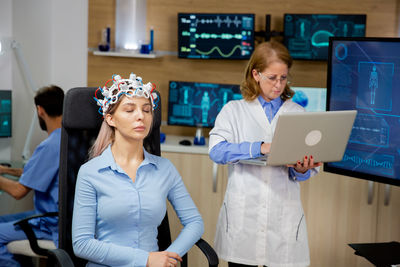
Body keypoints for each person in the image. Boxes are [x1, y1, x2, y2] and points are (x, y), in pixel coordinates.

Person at [208, 41, 322, 267]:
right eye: (272, 78)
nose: (278, 85)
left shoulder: (298, 114)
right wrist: (260, 147)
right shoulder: (234, 110)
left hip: (283, 219)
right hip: (244, 219)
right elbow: (216, 151)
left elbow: (309, 170)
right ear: (256, 74)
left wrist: (301, 170)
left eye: (283, 78)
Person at [72, 73, 204, 267]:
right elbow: (82, 244)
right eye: (129, 110)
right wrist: (146, 260)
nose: (141, 116)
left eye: (147, 110)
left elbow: (195, 222)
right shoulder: (90, 172)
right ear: (110, 119)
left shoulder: (164, 169)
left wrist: (168, 257)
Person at [0, 85, 64, 266]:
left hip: (50, 223)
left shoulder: (50, 145)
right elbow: (40, 171)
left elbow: (19, 191)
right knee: (2, 221)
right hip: (62, 218)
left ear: (40, 110)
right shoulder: (69, 139)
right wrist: (6, 171)